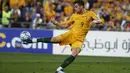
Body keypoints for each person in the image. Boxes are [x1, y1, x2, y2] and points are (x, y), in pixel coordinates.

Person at [22, 0, 101, 73]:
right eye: (74, 7)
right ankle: (31, 40)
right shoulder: (74, 16)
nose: (75, 8)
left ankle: (59, 69)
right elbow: (66, 25)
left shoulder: (90, 13)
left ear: (81, 6)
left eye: (76, 7)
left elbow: (99, 20)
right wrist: (56, 23)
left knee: (75, 53)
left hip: (79, 39)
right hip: (70, 34)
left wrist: (94, 21)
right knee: (54, 40)